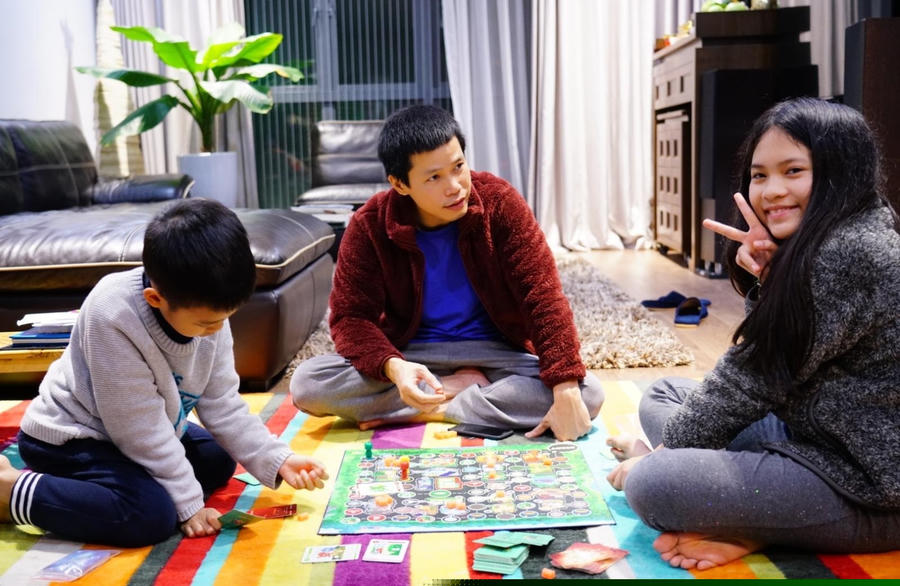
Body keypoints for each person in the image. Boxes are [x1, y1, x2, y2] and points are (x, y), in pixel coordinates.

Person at [606, 98, 900, 570]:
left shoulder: (852, 252)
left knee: (652, 484)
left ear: (841, 171)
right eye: (760, 175)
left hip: (867, 488)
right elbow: (780, 355)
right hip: (811, 433)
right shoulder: (834, 236)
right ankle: (749, 513)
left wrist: (660, 457)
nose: (771, 191)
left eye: (793, 171)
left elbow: (754, 374)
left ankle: (751, 523)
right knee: (663, 394)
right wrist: (769, 277)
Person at [0, 199, 328, 547]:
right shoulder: (112, 313)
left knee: (217, 461)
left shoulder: (207, 307)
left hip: (139, 428)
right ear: (155, 299)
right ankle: (10, 489)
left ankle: (112, 488)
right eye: (207, 323)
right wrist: (189, 505)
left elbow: (223, 405)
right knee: (150, 516)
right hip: (71, 437)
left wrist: (277, 458)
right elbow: (139, 430)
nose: (217, 331)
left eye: (225, 318)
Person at [291, 105, 604, 441]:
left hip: (496, 351)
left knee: (587, 393)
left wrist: (565, 386)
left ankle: (429, 408)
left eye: (458, 167)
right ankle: (460, 391)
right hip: (412, 355)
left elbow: (542, 295)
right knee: (308, 384)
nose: (455, 187)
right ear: (399, 183)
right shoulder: (370, 225)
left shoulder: (500, 203)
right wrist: (395, 368)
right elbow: (350, 318)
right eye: (434, 177)